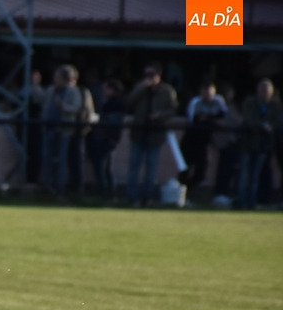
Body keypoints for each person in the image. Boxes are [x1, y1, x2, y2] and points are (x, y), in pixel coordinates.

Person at [125, 61, 177, 206]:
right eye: (146, 74)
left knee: (151, 168)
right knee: (134, 166)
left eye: (151, 74)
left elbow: (173, 110)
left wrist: (160, 115)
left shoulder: (167, 91)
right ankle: (131, 198)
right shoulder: (140, 88)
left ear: (159, 75)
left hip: (155, 134)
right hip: (138, 132)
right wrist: (140, 89)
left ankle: (146, 198)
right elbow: (129, 103)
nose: (148, 77)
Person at [237, 79, 283, 210]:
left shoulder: (275, 106)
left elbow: (278, 121)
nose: (264, 93)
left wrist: (269, 126)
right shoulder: (250, 103)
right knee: (243, 174)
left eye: (266, 91)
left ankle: (251, 203)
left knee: (255, 176)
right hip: (247, 143)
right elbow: (247, 119)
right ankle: (240, 202)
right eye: (262, 90)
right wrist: (262, 126)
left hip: (263, 145)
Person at [42, 65, 83, 197]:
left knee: (61, 160)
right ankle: (47, 187)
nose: (54, 79)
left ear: (65, 78)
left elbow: (75, 108)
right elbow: (40, 99)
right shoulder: (51, 90)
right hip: (49, 128)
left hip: (64, 130)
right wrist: (35, 85)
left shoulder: (73, 91)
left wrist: (62, 107)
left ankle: (60, 189)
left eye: (57, 77)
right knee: (47, 158)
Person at [180, 80, 226, 197]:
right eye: (205, 93)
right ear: (200, 92)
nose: (207, 96)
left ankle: (187, 191)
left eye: (210, 93)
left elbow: (223, 117)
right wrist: (212, 119)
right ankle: (181, 196)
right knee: (185, 170)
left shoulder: (218, 101)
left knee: (201, 173)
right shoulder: (195, 102)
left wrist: (207, 118)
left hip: (204, 143)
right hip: (190, 141)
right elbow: (194, 119)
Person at [86, 79, 125, 201]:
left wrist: (97, 123)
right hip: (109, 140)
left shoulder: (113, 105)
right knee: (106, 169)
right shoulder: (113, 103)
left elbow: (110, 124)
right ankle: (110, 192)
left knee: (101, 168)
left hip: (105, 140)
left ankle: (104, 193)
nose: (103, 92)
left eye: (106, 89)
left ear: (112, 90)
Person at [211, 84, 242, 207]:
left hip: (232, 143)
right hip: (222, 144)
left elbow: (239, 122)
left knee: (233, 170)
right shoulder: (216, 106)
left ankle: (229, 194)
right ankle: (219, 194)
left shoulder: (233, 108)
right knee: (223, 170)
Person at [67, 68, 96, 194]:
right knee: (69, 160)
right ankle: (71, 187)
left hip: (79, 131)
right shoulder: (60, 90)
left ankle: (78, 188)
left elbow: (87, 112)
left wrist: (84, 128)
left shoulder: (83, 92)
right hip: (66, 130)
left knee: (78, 159)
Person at [25, 70, 46, 184]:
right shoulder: (24, 90)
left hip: (37, 127)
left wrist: (35, 86)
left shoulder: (42, 91)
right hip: (26, 127)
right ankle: (28, 178)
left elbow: (40, 99)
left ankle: (33, 179)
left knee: (36, 154)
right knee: (28, 153)